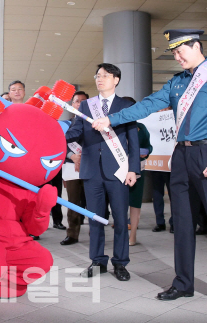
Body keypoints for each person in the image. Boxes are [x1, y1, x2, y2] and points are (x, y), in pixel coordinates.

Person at [93, 29, 207, 314]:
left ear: (196, 45)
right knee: (183, 224)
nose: (176, 57)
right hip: (182, 155)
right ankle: (183, 283)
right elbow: (148, 105)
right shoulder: (177, 83)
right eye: (173, 53)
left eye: (179, 51)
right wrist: (111, 119)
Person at [66, 63, 140, 282]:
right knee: (95, 218)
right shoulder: (86, 106)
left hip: (118, 171)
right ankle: (97, 260)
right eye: (98, 75)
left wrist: (133, 169)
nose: (100, 79)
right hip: (91, 171)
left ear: (116, 80)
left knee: (119, 218)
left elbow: (132, 141)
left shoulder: (126, 105)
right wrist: (56, 137)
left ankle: (120, 263)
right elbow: (76, 131)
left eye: (105, 76)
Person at [61, 91, 88, 245]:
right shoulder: (66, 124)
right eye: (77, 101)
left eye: (83, 101)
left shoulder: (95, 122)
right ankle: (72, 234)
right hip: (71, 167)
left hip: (90, 166)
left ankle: (95, 232)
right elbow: (60, 144)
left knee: (92, 201)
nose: (80, 104)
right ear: (72, 105)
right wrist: (72, 156)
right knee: (73, 201)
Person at [127, 117, 152, 246]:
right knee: (120, 202)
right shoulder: (114, 127)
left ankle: (133, 234)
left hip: (138, 169)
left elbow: (148, 146)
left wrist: (146, 152)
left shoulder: (141, 128)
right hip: (119, 170)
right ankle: (121, 233)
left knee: (135, 202)